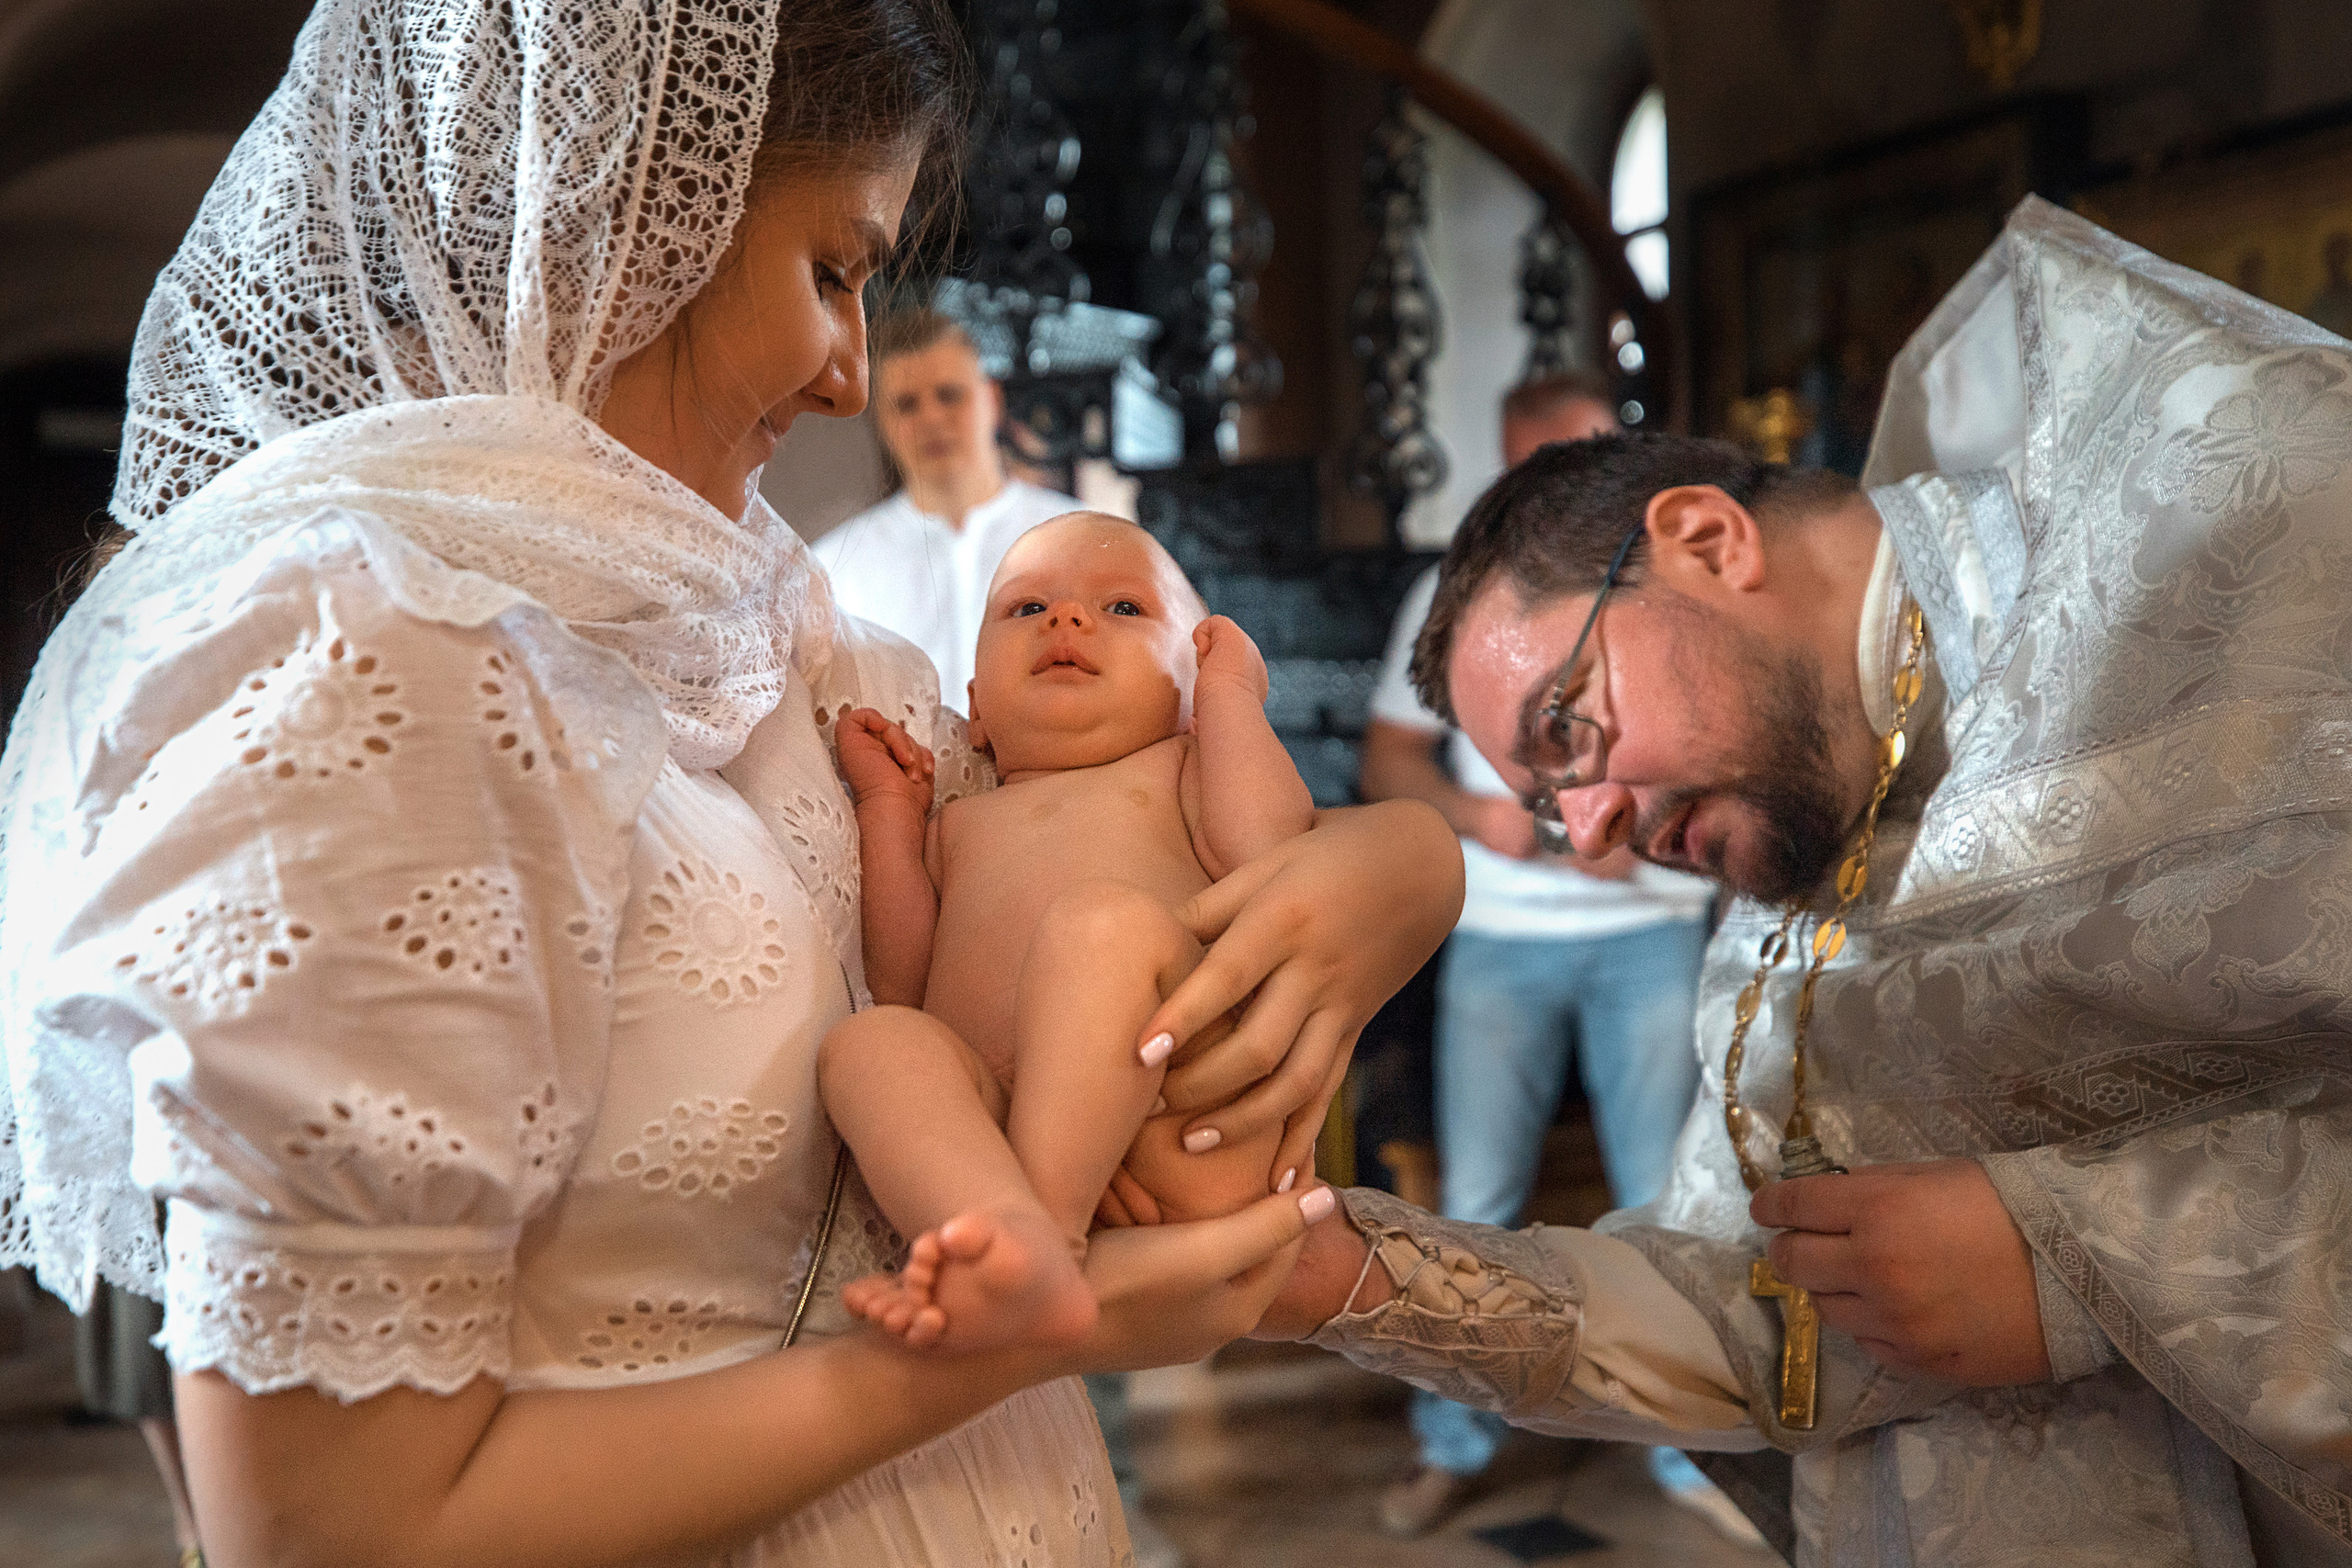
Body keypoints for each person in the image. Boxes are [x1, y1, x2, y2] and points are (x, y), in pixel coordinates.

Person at [0, 6, 1465, 1566]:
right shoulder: (347, 665)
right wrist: (1035, 1333)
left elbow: (1112, 829)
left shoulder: (795, 638)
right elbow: (332, 1530)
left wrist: (1391, 873)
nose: (851, 377)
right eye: (833, 270)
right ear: (615, 209)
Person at [1249, 198, 2352, 1565]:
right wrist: (1345, 1274)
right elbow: (1765, 1319)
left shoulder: (2265, 546)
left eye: (1567, 732)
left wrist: (2074, 1269)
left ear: (1708, 539)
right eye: (1545, 796)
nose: (1587, 832)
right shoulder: (1790, 903)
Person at [1359, 374, 1724, 1538]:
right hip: (1504, 938)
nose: (1545, 488)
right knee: (1474, 1205)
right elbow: (1388, 765)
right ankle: (1456, 1442)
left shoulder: (1674, 594)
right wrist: (1486, 821)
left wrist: (1650, 827)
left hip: (1649, 935)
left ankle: (1691, 1460)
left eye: (1568, 459)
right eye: (1526, 463)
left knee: (1670, 1206)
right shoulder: (1451, 589)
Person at [823, 513, 1332, 1348]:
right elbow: (906, 981)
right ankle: (1000, 1232)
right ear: (977, 709)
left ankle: (1044, 1246)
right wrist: (888, 812)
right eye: (1027, 609)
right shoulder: (960, 822)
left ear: (1187, 691)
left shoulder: (1181, 773)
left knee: (1101, 925)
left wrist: (1232, 702)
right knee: (871, 1044)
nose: (1066, 619)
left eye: (1124, 608)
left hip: (1181, 1110)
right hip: (1002, 1133)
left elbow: (1272, 851)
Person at [811, 309, 1080, 705]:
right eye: (906, 404)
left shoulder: (1076, 534)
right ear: (881, 422)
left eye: (949, 395)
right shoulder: (835, 567)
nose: (932, 418)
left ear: (992, 399)